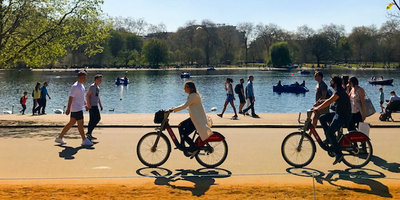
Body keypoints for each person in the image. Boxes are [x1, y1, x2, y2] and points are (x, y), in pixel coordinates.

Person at [313, 76, 351, 165]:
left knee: (330, 132)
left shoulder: (339, 91)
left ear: (335, 83)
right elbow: (331, 100)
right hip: (339, 113)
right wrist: (321, 101)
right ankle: (329, 139)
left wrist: (318, 107)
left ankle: (339, 154)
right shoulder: (338, 91)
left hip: (343, 116)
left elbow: (329, 102)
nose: (330, 82)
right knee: (322, 117)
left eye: (331, 81)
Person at [169, 81, 212, 156]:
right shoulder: (192, 95)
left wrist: (173, 109)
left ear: (189, 88)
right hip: (194, 118)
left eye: (185, 87)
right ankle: (182, 145)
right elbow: (185, 104)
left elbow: (184, 106)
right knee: (180, 126)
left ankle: (193, 147)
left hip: (197, 120)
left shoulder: (193, 96)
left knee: (184, 134)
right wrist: (174, 108)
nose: (184, 89)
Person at [55, 71, 93, 146]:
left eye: (85, 77)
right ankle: (84, 139)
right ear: (79, 77)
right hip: (76, 108)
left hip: (79, 107)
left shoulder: (81, 86)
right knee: (80, 124)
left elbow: (81, 97)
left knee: (71, 123)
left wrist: (85, 105)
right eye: (83, 77)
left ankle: (60, 137)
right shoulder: (75, 86)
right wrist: (68, 108)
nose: (84, 79)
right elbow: (71, 97)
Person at [86, 74, 103, 140]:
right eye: (99, 80)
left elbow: (97, 97)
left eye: (101, 80)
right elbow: (87, 95)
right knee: (95, 119)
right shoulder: (92, 87)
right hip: (92, 105)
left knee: (95, 119)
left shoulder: (97, 87)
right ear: (95, 80)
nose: (100, 81)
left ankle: (89, 133)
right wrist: (88, 104)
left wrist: (100, 105)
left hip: (95, 105)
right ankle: (89, 133)